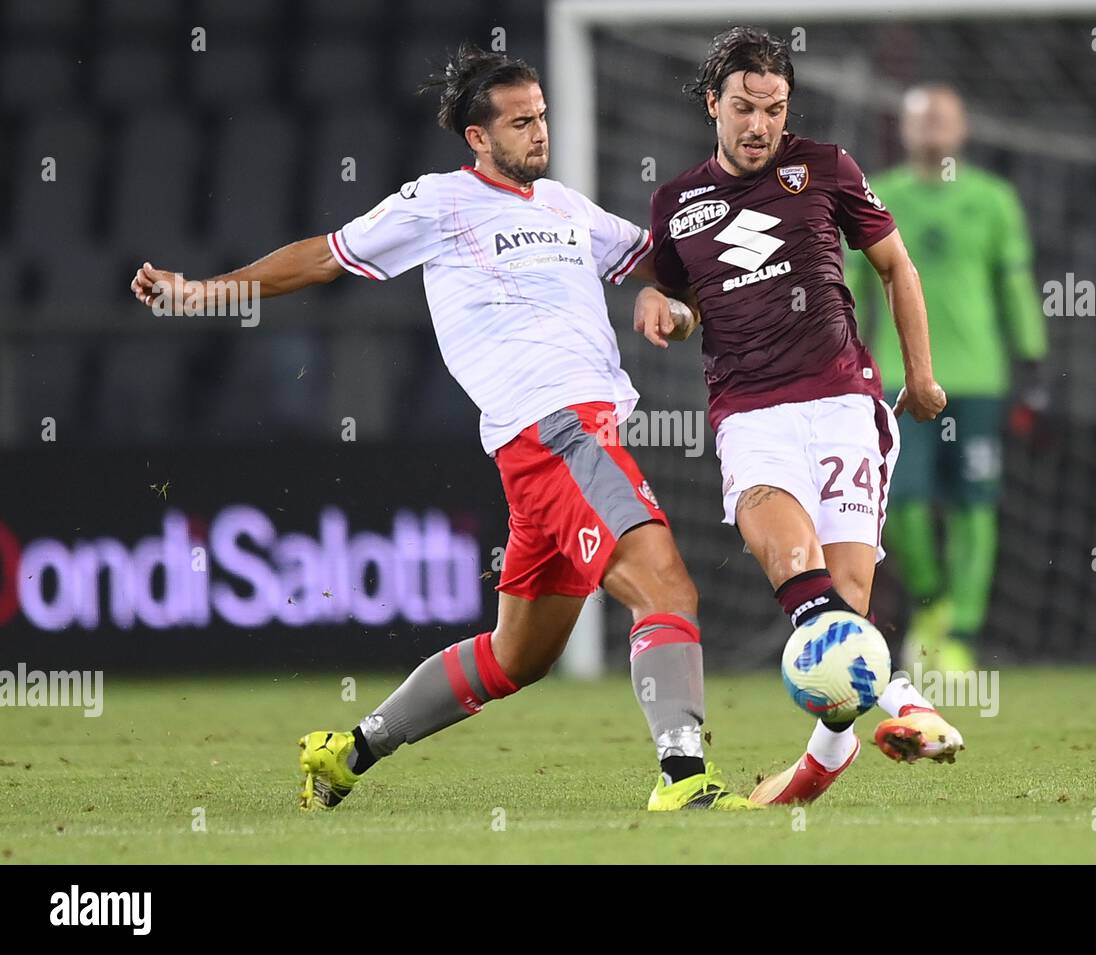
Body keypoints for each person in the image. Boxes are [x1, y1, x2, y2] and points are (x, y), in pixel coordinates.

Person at [130, 44, 753, 812]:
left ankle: (350, 749)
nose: (540, 133)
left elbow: (662, 267)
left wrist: (671, 301)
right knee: (664, 585)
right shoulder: (437, 204)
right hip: (557, 431)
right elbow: (324, 259)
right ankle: (684, 777)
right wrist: (202, 295)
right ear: (478, 139)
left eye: (543, 118)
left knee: (516, 654)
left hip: (554, 445)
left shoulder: (565, 208)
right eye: (521, 123)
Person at [636, 28, 965, 807]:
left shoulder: (827, 168)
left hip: (846, 406)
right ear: (713, 104)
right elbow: (675, 300)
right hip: (752, 419)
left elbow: (896, 265)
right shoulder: (676, 203)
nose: (760, 125)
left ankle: (819, 764)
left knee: (844, 606)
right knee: (802, 580)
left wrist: (920, 376)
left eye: (775, 109)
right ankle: (911, 708)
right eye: (745, 107)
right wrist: (662, 308)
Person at [848, 84, 1048, 673]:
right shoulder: (877, 194)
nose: (933, 126)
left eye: (944, 117)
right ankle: (931, 601)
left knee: (974, 506)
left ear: (962, 128)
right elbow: (853, 290)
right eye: (921, 117)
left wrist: (1032, 361)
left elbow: (1014, 285)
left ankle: (959, 631)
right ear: (904, 129)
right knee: (899, 504)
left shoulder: (993, 199)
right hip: (897, 380)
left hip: (977, 379)